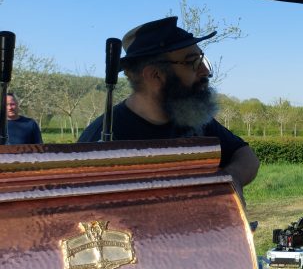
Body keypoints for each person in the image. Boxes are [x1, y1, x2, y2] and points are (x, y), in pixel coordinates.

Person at [78, 17, 259, 199]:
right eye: (192, 62)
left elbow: (245, 156)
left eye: (202, 59)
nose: (205, 71)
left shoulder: (192, 119)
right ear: (155, 75)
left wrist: (231, 178)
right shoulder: (101, 140)